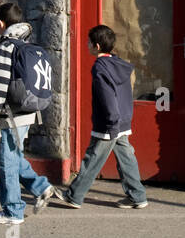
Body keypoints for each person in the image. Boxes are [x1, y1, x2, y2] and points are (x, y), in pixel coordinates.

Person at [52, 24, 148, 209]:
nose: (86, 45)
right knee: (126, 158)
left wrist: (111, 123)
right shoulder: (118, 64)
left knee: (93, 158)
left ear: (96, 46)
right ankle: (137, 196)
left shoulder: (100, 68)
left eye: (88, 42)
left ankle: (74, 196)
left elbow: (107, 98)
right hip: (122, 121)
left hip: (109, 123)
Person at [0, 2, 55, 224]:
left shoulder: (7, 48)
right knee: (14, 156)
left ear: (0, 23)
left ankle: (13, 211)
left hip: (10, 116)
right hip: (26, 112)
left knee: (7, 161)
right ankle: (41, 187)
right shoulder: (26, 44)